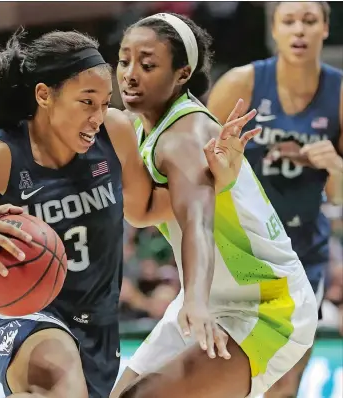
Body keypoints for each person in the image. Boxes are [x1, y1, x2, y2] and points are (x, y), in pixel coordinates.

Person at [0, 28, 253, 398]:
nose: (99, 116)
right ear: (44, 95)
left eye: (104, 103)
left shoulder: (114, 132)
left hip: (97, 324)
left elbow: (146, 209)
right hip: (25, 312)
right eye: (87, 102)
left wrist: (217, 178)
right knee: (59, 376)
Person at [107, 12, 317, 398]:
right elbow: (144, 210)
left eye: (148, 64)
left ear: (182, 74)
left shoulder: (186, 136)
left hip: (266, 305)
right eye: (124, 60)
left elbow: (198, 223)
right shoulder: (137, 127)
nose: (130, 74)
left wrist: (199, 303)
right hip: (205, 298)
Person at [207, 2, 343, 396]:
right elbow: (199, 163)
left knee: (286, 377)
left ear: (325, 28)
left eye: (309, 20)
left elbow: (338, 196)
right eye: (289, 21)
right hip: (240, 246)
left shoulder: (339, 94)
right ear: (275, 29)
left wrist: (335, 165)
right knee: (228, 370)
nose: (299, 29)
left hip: (302, 251)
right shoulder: (240, 83)